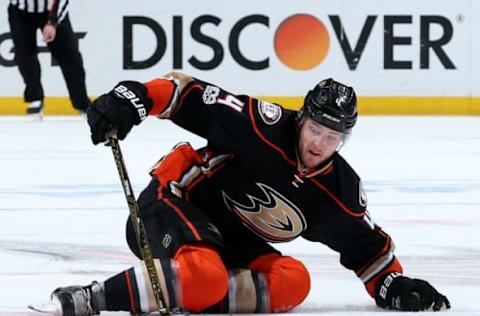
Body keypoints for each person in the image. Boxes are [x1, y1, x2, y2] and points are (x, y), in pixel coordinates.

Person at [36, 73, 450, 315]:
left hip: (228, 240)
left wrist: (393, 285)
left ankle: (194, 291)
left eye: (333, 136)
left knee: (294, 282)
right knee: (206, 275)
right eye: (315, 129)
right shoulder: (260, 126)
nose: (320, 143)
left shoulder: (337, 190)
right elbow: (187, 93)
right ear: (301, 119)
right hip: (172, 203)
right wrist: (137, 98)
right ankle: (90, 298)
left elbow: (366, 247)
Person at [8, 0, 90, 120]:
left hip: (52, 8)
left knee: (70, 57)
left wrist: (52, 22)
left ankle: (82, 104)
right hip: (19, 11)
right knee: (24, 55)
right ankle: (35, 97)